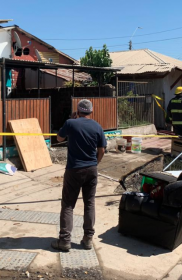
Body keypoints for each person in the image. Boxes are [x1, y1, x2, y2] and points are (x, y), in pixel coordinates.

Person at [51, 99, 106, 251]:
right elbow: (101, 151)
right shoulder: (97, 126)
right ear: (91, 112)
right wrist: (95, 163)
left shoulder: (70, 123)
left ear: (77, 111)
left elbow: (59, 138)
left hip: (74, 170)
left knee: (68, 205)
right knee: (89, 203)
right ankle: (88, 239)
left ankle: (64, 241)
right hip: (91, 169)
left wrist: (72, 120)